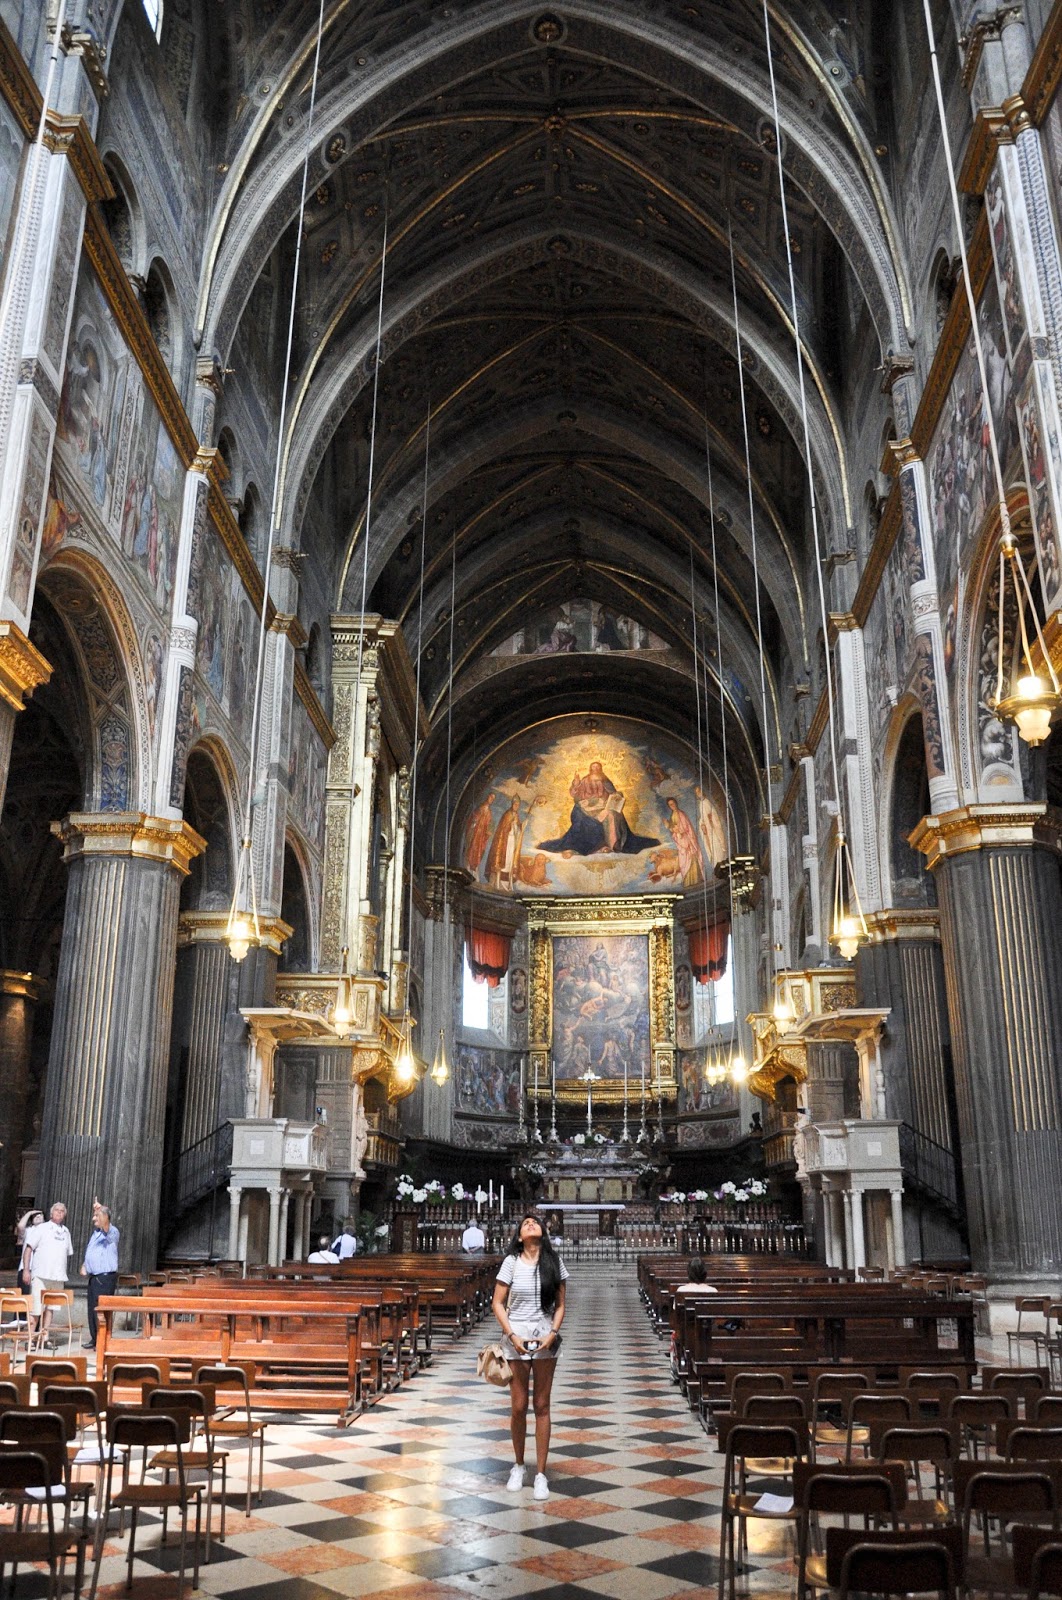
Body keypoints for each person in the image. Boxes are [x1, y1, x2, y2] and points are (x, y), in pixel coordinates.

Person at [492, 1213, 568, 1501]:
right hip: (517, 1337)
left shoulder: (553, 1262)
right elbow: (497, 1303)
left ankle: (541, 1474)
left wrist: (553, 1331)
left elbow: (560, 1305)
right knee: (519, 1405)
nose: (531, 1224)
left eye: (535, 1222)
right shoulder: (511, 1262)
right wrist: (512, 1335)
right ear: (519, 1236)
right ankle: (519, 1465)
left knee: (542, 1404)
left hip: (546, 1336)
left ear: (544, 1231)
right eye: (525, 1224)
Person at [23, 1202, 73, 1343]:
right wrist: (26, 1270)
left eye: (62, 1211)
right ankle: (31, 1338)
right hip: (40, 1275)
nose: (59, 1212)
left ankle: (45, 1337)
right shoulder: (41, 1228)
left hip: (57, 1276)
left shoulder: (66, 1232)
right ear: (51, 1213)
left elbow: (67, 1253)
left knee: (50, 1308)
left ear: (65, 1214)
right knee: (36, 1309)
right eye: (56, 1210)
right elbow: (28, 1249)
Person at [79, 1200, 119, 1350]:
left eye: (96, 1216)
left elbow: (106, 1224)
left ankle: (103, 1340)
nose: (93, 1219)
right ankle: (95, 1338)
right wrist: (85, 1265)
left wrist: (100, 1209)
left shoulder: (112, 1232)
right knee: (92, 1309)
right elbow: (92, 1252)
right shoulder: (95, 1234)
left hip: (105, 1277)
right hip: (94, 1277)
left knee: (101, 1310)